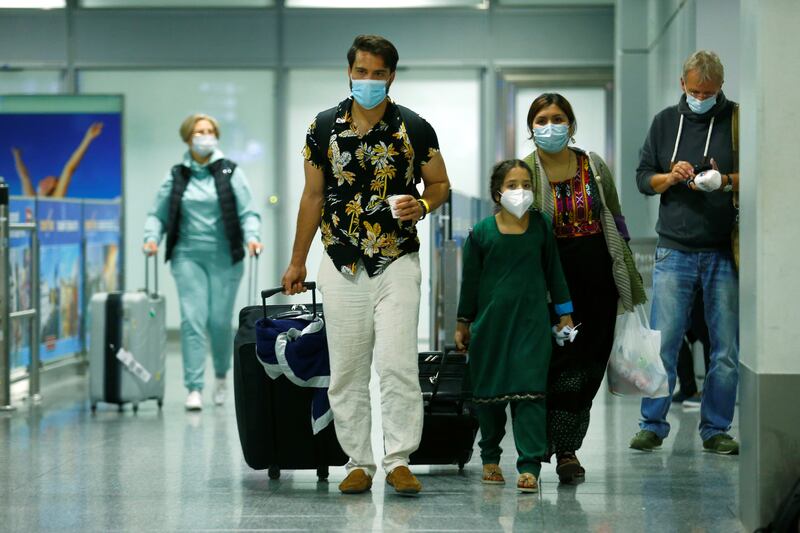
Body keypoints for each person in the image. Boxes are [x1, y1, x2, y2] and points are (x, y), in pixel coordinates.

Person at [281, 34, 450, 496]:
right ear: (349, 72)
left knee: (396, 364)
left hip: (396, 260)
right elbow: (312, 196)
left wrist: (423, 205)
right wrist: (297, 261)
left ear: (391, 76)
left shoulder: (414, 128)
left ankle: (398, 459)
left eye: (378, 73)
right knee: (349, 368)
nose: (369, 80)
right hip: (340, 260)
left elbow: (439, 185)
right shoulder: (322, 128)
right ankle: (359, 460)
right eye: (362, 71)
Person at [521, 93, 646, 483]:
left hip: (596, 277)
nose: (550, 125)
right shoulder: (524, 171)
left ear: (571, 124)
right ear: (531, 128)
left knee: (587, 365)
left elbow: (615, 216)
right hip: (549, 279)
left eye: (558, 118)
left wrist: (626, 271)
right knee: (554, 363)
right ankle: (543, 446)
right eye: (541, 119)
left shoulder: (593, 165)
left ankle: (567, 449)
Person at [631, 50, 740, 455]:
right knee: (664, 342)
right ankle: (652, 423)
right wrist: (670, 176)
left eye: (708, 92)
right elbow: (644, 179)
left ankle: (716, 428)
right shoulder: (664, 122)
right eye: (694, 90)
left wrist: (724, 180)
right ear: (682, 85)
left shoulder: (737, 122)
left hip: (724, 251)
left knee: (726, 348)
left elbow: (764, 172)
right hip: (674, 250)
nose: (700, 96)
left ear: (720, 88)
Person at [454, 159, 574, 494]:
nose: (519, 191)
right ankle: (490, 459)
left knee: (532, 396)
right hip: (490, 328)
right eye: (512, 185)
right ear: (497, 191)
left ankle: (529, 466)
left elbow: (555, 272)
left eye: (525, 184)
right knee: (489, 397)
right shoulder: (481, 233)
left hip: (532, 326)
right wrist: (463, 323)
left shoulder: (541, 226)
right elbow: (471, 284)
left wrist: (565, 312)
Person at [143, 113, 262, 411]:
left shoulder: (229, 171)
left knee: (220, 322)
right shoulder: (176, 174)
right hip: (187, 255)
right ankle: (194, 387)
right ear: (188, 137)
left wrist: (253, 236)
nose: (205, 136)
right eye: (199, 131)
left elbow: (248, 211)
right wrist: (151, 237)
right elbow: (157, 213)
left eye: (210, 131)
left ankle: (221, 377)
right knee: (192, 320)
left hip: (226, 255)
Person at [12, 121, 103, 197]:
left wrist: (88, 138)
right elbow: (25, 177)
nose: (45, 182)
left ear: (55, 187)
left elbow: (69, 169)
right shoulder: (30, 199)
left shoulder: (56, 199)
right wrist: (17, 156)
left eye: (49, 182)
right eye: (45, 180)